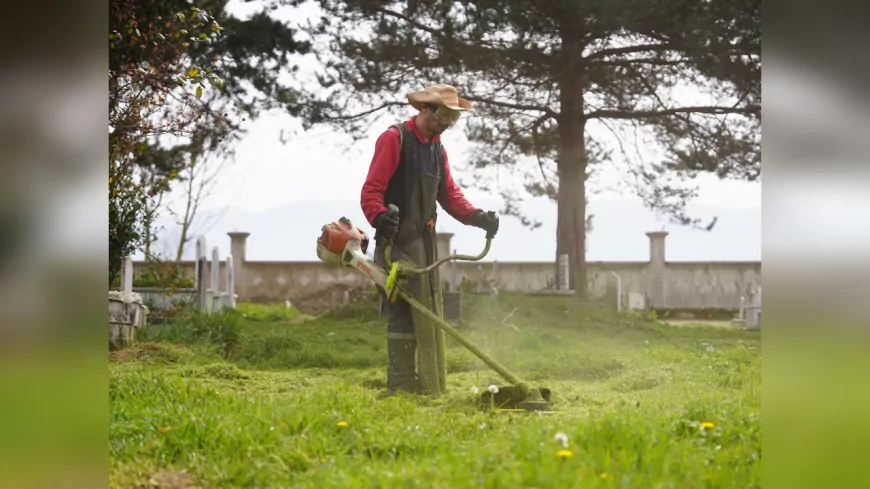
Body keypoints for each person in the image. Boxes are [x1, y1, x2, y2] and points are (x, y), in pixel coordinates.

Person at [360, 84, 500, 394]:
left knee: (428, 312)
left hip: (423, 244)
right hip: (395, 242)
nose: (446, 125)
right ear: (424, 109)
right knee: (403, 311)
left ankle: (429, 383)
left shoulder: (437, 149)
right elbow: (371, 190)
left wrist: (477, 217)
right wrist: (380, 217)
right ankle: (400, 383)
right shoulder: (394, 140)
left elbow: (450, 194)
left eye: (451, 119)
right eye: (442, 118)